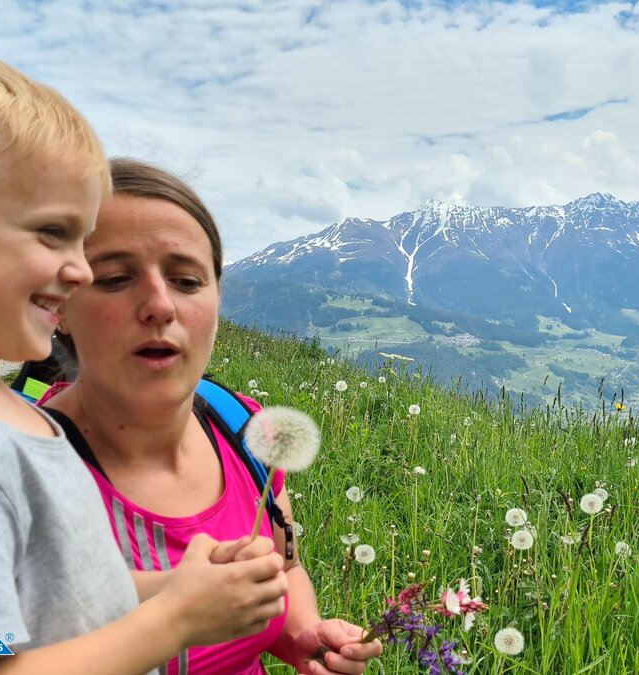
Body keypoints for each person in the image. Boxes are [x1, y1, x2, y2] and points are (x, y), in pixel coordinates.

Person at [0, 24, 288, 675]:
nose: (78, 270)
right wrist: (174, 620)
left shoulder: (7, 420)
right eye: (52, 233)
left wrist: (179, 585)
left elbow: (51, 606)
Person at [38, 158, 384, 675]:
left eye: (186, 281)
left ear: (218, 297)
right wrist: (172, 618)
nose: (159, 305)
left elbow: (285, 572)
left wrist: (302, 637)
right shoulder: (15, 468)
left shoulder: (242, 428)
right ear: (58, 304)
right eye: (114, 278)